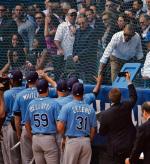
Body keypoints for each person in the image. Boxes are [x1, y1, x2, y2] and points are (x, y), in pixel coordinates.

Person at [97, 72, 137, 164]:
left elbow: (102, 133)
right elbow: (133, 96)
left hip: (116, 149)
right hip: (130, 144)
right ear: (120, 97)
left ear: (109, 98)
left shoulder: (105, 115)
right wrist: (128, 80)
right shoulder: (126, 105)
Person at [57, 82, 97, 164]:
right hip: (86, 142)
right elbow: (93, 129)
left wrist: (64, 138)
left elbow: (60, 127)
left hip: (72, 142)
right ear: (83, 93)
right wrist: (88, 141)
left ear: (72, 93)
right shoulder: (90, 109)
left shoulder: (67, 107)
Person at [25, 79, 61, 164]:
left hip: (35, 139)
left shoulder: (31, 103)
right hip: (49, 138)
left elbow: (26, 124)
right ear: (48, 89)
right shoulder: (54, 103)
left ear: (37, 90)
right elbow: (59, 125)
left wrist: (32, 137)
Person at [13, 71, 39, 164]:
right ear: (37, 81)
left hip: (26, 129)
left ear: (27, 81)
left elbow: (17, 118)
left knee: (27, 160)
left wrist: (19, 133)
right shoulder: (43, 92)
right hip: (41, 129)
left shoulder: (20, 95)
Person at [0, 70, 25, 164]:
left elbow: (3, 113)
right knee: (24, 155)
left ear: (12, 81)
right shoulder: (26, 91)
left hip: (9, 126)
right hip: (25, 125)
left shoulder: (6, 94)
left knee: (12, 156)